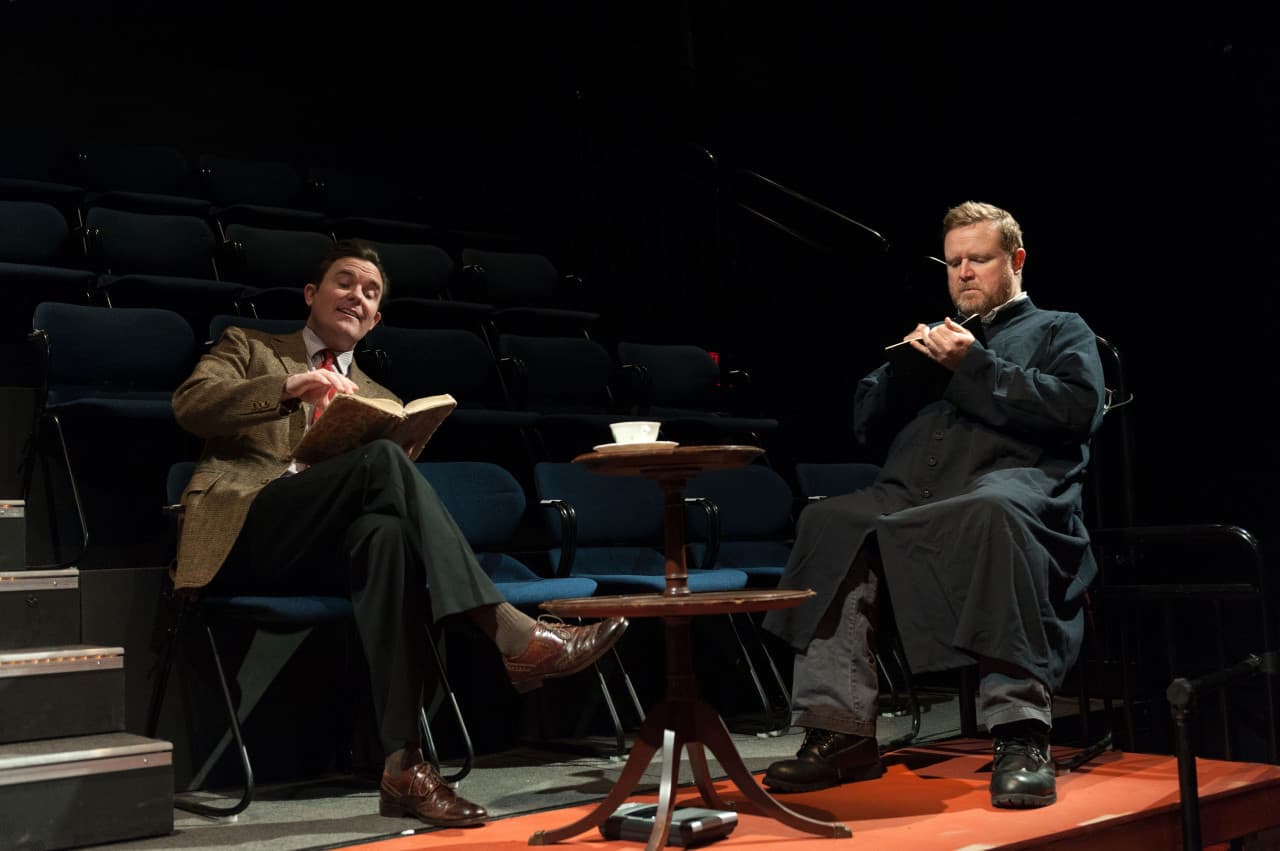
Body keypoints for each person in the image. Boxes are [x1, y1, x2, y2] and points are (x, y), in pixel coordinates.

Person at [170, 238, 628, 827]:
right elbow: (191, 406)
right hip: (251, 533)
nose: (355, 297)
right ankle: (511, 633)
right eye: (345, 283)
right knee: (382, 468)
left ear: (376, 319)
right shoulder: (250, 347)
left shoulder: (379, 397)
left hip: (328, 550)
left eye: (370, 293)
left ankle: (403, 768)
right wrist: (289, 389)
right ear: (312, 295)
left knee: (387, 538)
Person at [761, 201, 1105, 809]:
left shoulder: (1059, 329)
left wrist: (972, 364)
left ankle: (1021, 732)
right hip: (913, 491)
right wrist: (904, 370)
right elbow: (865, 425)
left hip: (1010, 484)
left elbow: (1077, 409)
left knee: (993, 514)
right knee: (830, 521)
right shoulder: (937, 336)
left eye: (979, 259)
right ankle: (841, 733)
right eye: (953, 263)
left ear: (1016, 261)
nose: (964, 272)